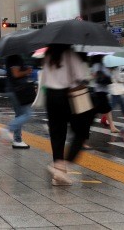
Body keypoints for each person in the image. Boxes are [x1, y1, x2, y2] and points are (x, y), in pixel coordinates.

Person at [41, 44, 93, 186]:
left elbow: (44, 77)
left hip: (50, 96)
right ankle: (62, 164)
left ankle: (58, 175)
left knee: (57, 135)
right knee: (81, 132)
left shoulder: (48, 55)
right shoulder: (71, 54)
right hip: (68, 96)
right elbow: (81, 76)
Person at [0, 53, 33, 149]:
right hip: (18, 91)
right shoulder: (15, 57)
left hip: (13, 90)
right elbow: (16, 74)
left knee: (19, 115)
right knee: (27, 114)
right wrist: (27, 71)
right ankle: (8, 129)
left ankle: (17, 140)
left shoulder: (10, 57)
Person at [90, 56, 118, 136]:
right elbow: (94, 75)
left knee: (107, 109)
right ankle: (112, 127)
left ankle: (112, 127)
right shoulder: (97, 65)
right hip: (99, 91)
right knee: (102, 110)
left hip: (103, 91)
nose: (103, 57)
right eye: (102, 56)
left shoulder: (102, 65)